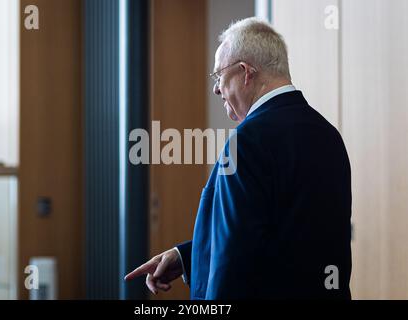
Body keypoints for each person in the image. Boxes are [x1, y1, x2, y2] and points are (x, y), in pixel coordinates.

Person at [125, 17, 352, 299]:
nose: (216, 89)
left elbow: (234, 260)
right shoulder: (328, 135)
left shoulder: (247, 142)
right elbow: (283, 236)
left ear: (245, 73)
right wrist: (185, 257)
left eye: (218, 76)